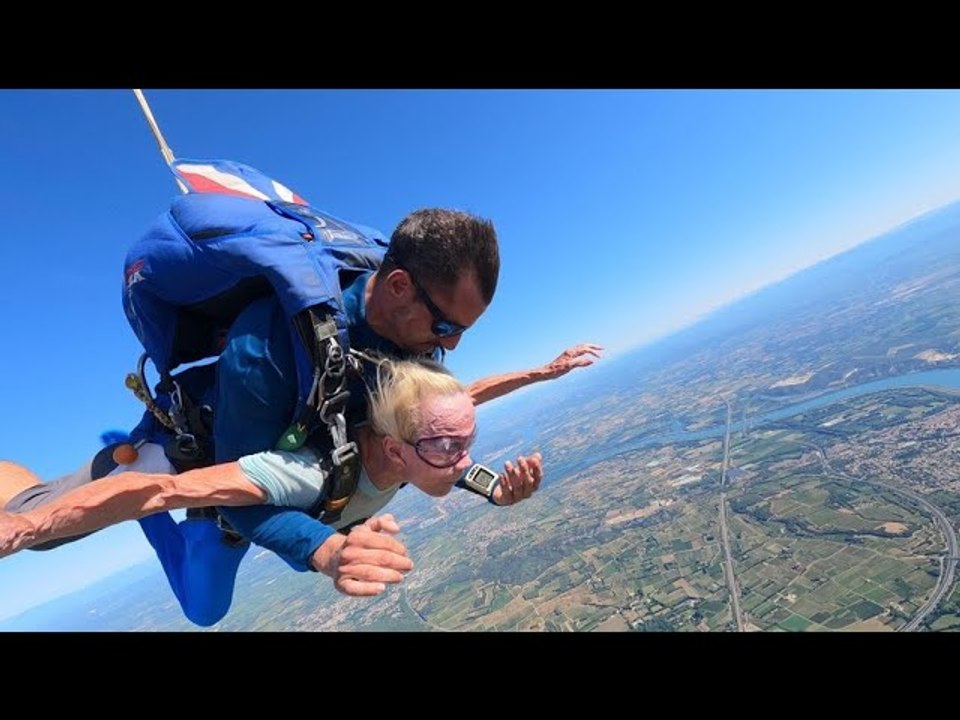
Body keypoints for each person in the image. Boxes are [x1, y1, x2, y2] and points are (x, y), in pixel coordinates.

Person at [0, 358, 543, 624]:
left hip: (297, 508)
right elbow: (168, 490)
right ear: (397, 449)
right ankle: (118, 454)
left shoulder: (407, 430)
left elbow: (465, 400)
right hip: (209, 506)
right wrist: (29, 528)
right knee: (202, 608)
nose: (463, 458)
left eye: (466, 443)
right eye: (449, 447)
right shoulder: (302, 472)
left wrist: (541, 375)